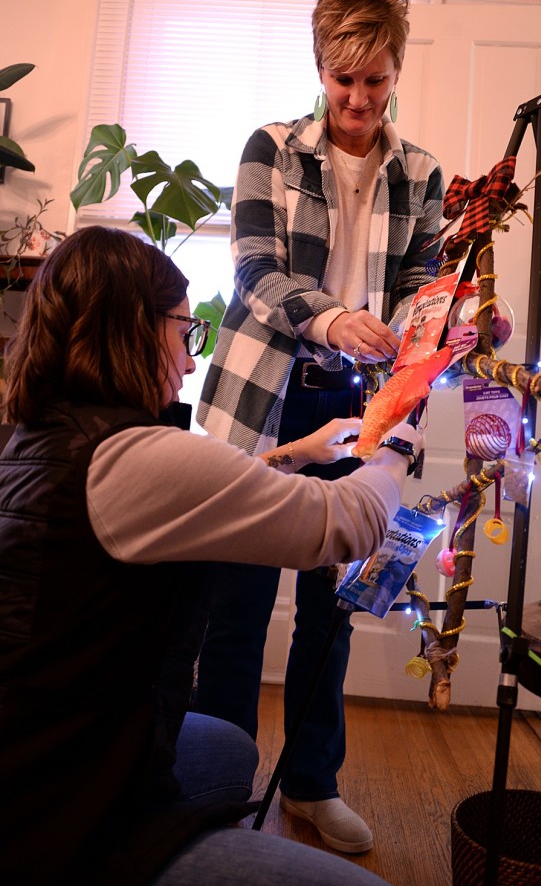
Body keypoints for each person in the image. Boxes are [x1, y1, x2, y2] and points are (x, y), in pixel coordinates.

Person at [0, 226, 423, 886]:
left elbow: (166, 497)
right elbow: (347, 524)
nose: (192, 359)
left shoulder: (35, 436)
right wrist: (399, 439)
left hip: (37, 742)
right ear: (130, 329)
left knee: (227, 748)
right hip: (56, 816)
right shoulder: (139, 456)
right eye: (183, 331)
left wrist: (293, 454)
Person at [196, 0, 444, 853]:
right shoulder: (270, 148)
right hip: (263, 401)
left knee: (331, 608)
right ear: (320, 68)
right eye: (344, 80)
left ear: (395, 71)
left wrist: (439, 320)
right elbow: (256, 271)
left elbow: (421, 289)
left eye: (375, 80)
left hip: (359, 407)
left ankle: (310, 782)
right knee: (235, 605)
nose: (358, 99)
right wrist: (334, 316)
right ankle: (213, 789)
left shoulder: (421, 173)